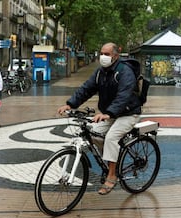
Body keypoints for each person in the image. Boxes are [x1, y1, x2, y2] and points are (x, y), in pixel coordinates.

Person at [57, 42, 142, 195]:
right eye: (102, 53)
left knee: (110, 138)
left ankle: (112, 174)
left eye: (107, 54)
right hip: (111, 114)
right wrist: (70, 105)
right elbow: (86, 88)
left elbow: (124, 95)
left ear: (116, 55)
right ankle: (112, 158)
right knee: (92, 132)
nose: (103, 56)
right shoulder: (100, 72)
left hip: (129, 113)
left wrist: (108, 113)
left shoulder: (125, 71)